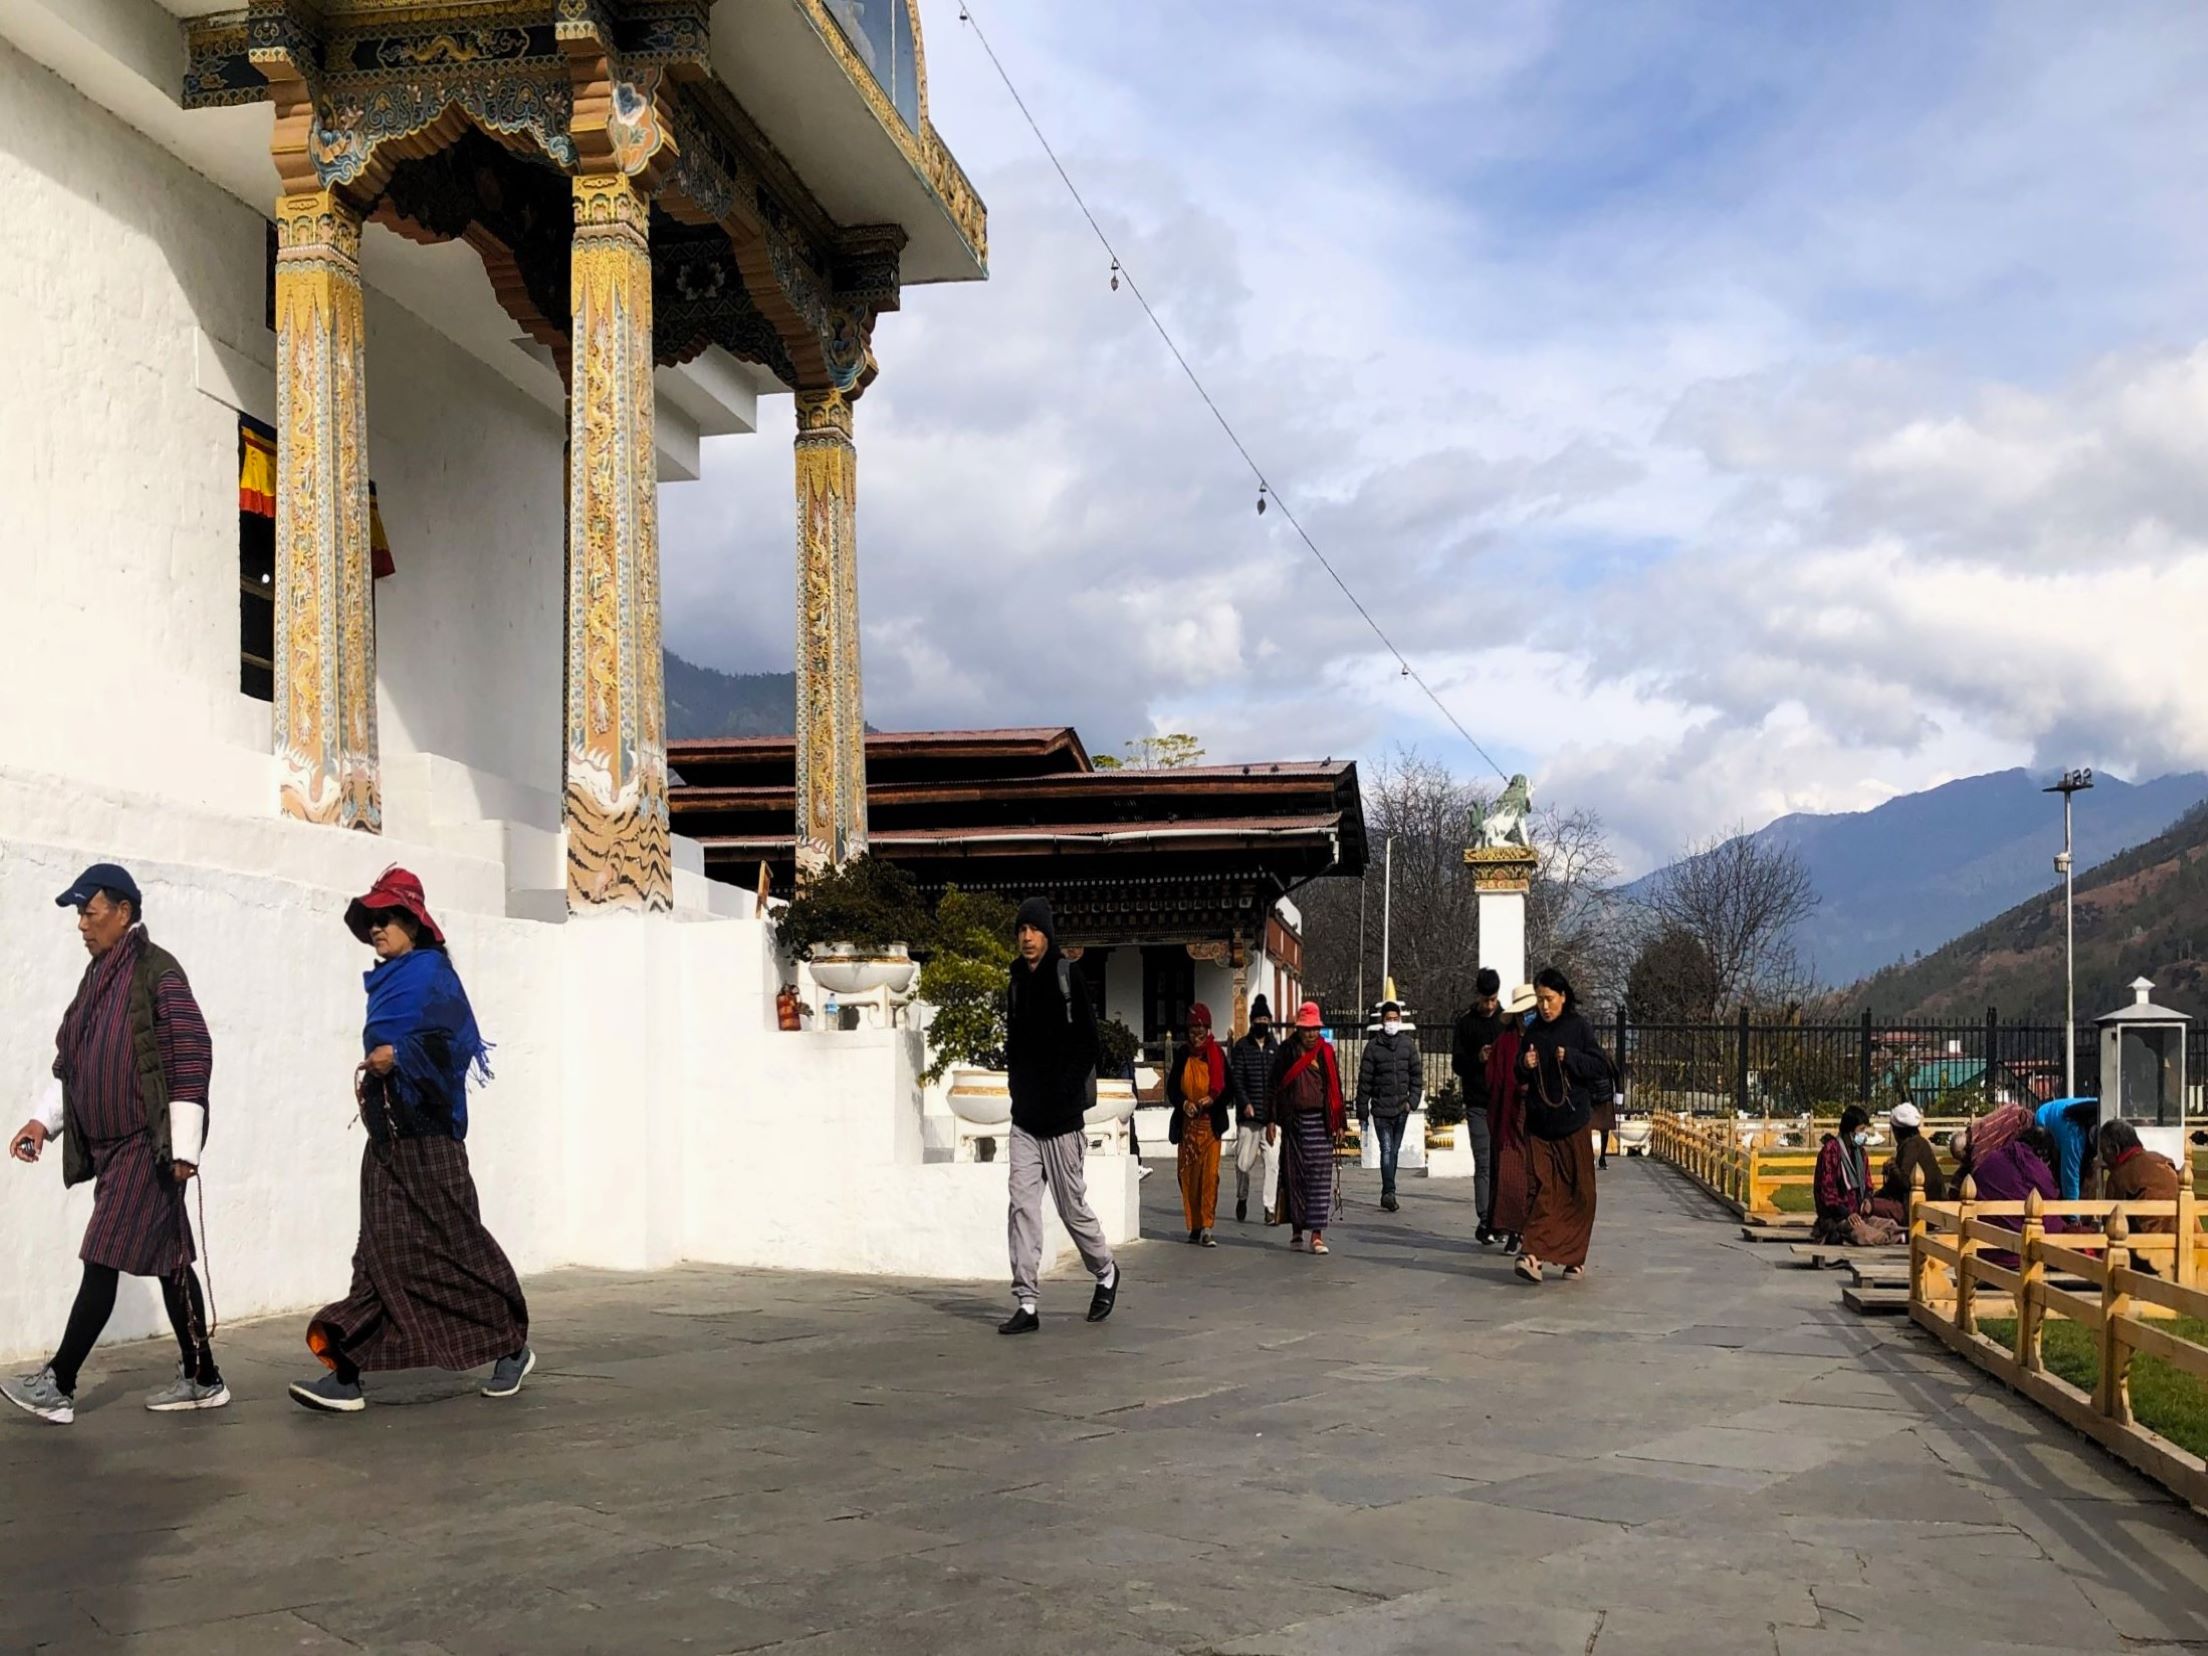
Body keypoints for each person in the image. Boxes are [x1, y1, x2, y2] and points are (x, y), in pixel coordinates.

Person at [290, 868, 532, 1412]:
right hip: (386, 1141)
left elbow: (453, 1050)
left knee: (457, 1245)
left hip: (431, 1138)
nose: (377, 929)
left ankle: (510, 1343)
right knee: (376, 1252)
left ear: (414, 924)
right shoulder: (386, 983)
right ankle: (347, 1372)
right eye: (372, 920)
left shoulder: (433, 978)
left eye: (388, 919)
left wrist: (400, 1057)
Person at [4, 866, 225, 1425]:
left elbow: (190, 1054)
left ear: (123, 912)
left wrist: (184, 1147)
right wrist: (41, 1122)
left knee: (101, 1255)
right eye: (79, 914)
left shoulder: (157, 973)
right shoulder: (95, 981)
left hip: (143, 1146)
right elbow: (70, 1063)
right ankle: (202, 1376)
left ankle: (59, 1382)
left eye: (89, 911)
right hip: (107, 1152)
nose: (81, 925)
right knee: (171, 1263)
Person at [996, 896, 1118, 1335]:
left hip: (1063, 1121)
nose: (1027, 938)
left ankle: (1104, 1270)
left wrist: (1064, 1090)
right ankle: (1026, 1302)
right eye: (1022, 930)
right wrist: (1018, 1091)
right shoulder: (1013, 982)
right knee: (1022, 1207)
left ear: (1048, 933)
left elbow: (1088, 1043)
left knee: (1071, 1208)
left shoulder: (1069, 976)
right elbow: (1014, 1044)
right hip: (1025, 1121)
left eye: (1035, 929)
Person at [1514, 968, 1609, 1284]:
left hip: (1572, 1122)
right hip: (1540, 1124)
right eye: (1540, 1000)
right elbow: (1519, 1072)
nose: (1544, 1006)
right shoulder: (1533, 1031)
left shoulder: (1578, 1028)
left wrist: (1571, 1058)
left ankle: (1573, 1258)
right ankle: (1532, 1254)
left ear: (1563, 997)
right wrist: (1523, 1066)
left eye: (1549, 999)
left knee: (1582, 1193)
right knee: (1544, 1188)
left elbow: (1600, 1066)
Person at [1269, 1002, 1346, 1254]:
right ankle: (1296, 1229)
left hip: (1320, 1124)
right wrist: (1271, 1119)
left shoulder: (1325, 1052)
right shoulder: (1287, 1051)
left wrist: (1339, 1123)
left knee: (1319, 1181)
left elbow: (1335, 1088)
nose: (1311, 1034)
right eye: (1307, 1029)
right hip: (1294, 1124)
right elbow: (1274, 1086)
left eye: (1315, 1029)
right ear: (1299, 1029)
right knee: (1294, 1177)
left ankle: (1317, 1234)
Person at [1167, 1004, 1234, 1246]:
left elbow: (1229, 1089)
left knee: (1209, 1177)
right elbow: (1172, 1088)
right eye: (1193, 1030)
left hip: (1210, 1127)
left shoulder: (1217, 1055)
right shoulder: (1183, 1054)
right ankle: (1194, 1224)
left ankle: (1207, 1225)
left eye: (1201, 1029)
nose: (1197, 1035)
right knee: (1188, 1177)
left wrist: (1213, 1099)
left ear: (1208, 1029)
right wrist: (1184, 1103)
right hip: (1188, 1127)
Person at [1451, 970, 1505, 1242]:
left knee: (1502, 1163)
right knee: (1483, 1162)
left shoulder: (1505, 1022)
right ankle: (1485, 1219)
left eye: (1494, 1000)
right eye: (1486, 1000)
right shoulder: (1466, 1024)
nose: (1490, 1006)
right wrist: (1478, 1058)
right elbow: (1457, 1064)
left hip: (1503, 1102)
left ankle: (1502, 1218)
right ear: (1478, 996)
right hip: (1477, 1102)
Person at [1482, 984, 1537, 1252]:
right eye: (1523, 1012)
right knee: (1510, 1174)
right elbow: (1493, 1079)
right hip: (1510, 1115)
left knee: (1535, 1174)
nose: (1528, 1016)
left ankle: (1532, 1229)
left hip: (1541, 1115)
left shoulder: (1545, 1037)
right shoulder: (1505, 1042)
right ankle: (1513, 1229)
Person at [1356, 1000, 1423, 1213]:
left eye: (1395, 1019)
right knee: (1386, 1149)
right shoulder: (1373, 1047)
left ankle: (1389, 1190)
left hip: (1401, 1109)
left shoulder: (1408, 1045)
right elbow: (1364, 1081)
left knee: (1393, 1150)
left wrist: (1411, 1102)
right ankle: (1389, 1191)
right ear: (1382, 1021)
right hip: (1380, 1109)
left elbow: (1416, 1076)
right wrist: (1362, 1109)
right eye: (1388, 1019)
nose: (1392, 1023)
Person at [2097, 1120, 2181, 1273]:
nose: (2103, 1158)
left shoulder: (2118, 1176)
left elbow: (2109, 1222)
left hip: (2149, 1256)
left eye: (2104, 1152)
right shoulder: (2163, 1161)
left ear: (2115, 1150)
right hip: (2186, 1245)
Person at [1228, 995, 1282, 1224]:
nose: (1262, 1022)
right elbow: (1236, 1080)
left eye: (1265, 1018)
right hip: (1248, 1118)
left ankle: (1270, 1208)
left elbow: (1279, 1081)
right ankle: (1242, 1196)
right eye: (1258, 1018)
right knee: (1243, 1164)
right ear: (1252, 1021)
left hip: (1270, 1119)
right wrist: (1245, 1103)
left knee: (1272, 1163)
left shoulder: (1275, 1047)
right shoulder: (1242, 1047)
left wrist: (1276, 1113)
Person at [1811, 1105, 1898, 1244]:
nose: (1864, 1134)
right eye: (1861, 1130)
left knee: (1891, 1225)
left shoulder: (1860, 1153)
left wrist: (1867, 1199)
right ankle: (1887, 1238)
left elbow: (1868, 1185)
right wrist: (1846, 1213)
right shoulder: (1831, 1151)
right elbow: (1827, 1193)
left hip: (1860, 1215)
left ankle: (1889, 1236)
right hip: (1838, 1217)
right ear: (1849, 1131)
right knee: (1862, 1233)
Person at [1878, 1101, 1947, 1208]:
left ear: (1897, 1130)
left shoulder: (1911, 1146)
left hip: (1918, 1208)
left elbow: (1905, 1182)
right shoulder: (1918, 1143)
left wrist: (1892, 1168)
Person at [2035, 1097, 2100, 1200]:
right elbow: (2070, 1181)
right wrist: (2073, 1214)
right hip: (2044, 1121)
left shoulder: (2103, 1110)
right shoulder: (2075, 1138)